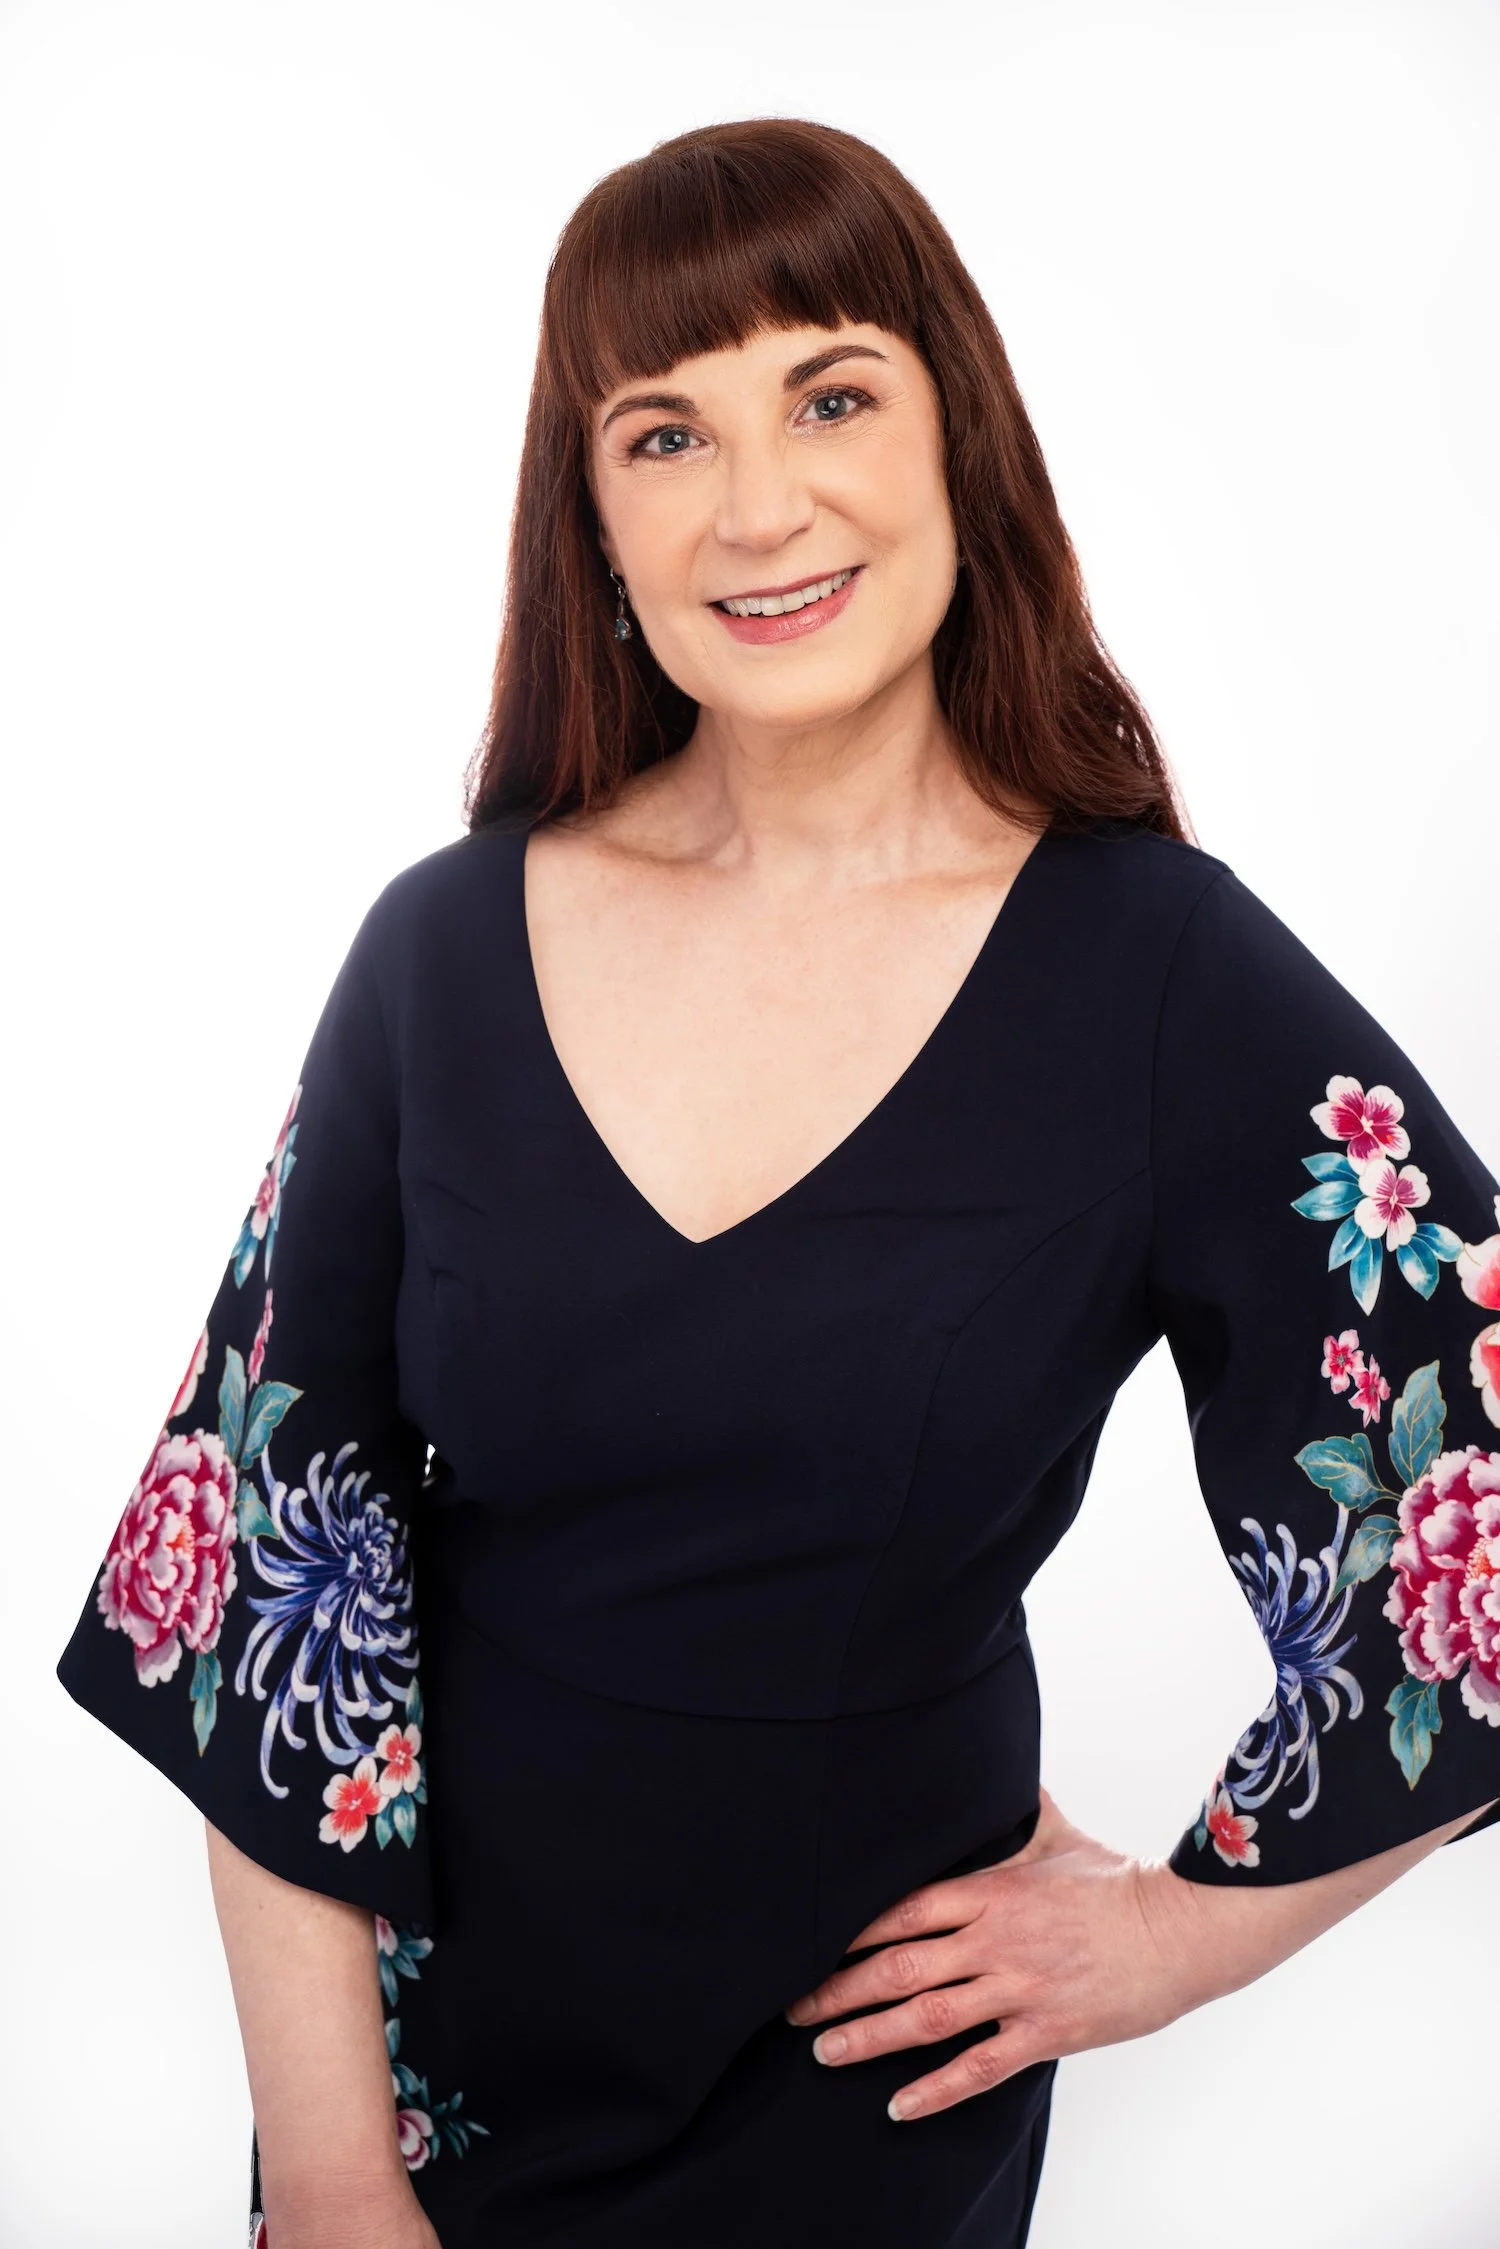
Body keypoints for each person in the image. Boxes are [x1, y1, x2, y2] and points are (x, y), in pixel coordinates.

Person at [56, 116, 1500, 2249]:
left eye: (830, 397)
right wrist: (339, 2176)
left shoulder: (1160, 975)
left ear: (956, 440)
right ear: (594, 519)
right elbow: (264, 1586)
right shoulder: (442, 955)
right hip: (420, 2082)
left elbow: (1474, 1502)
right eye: (666, 434)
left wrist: (1181, 1934)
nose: (757, 506)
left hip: (868, 2094)